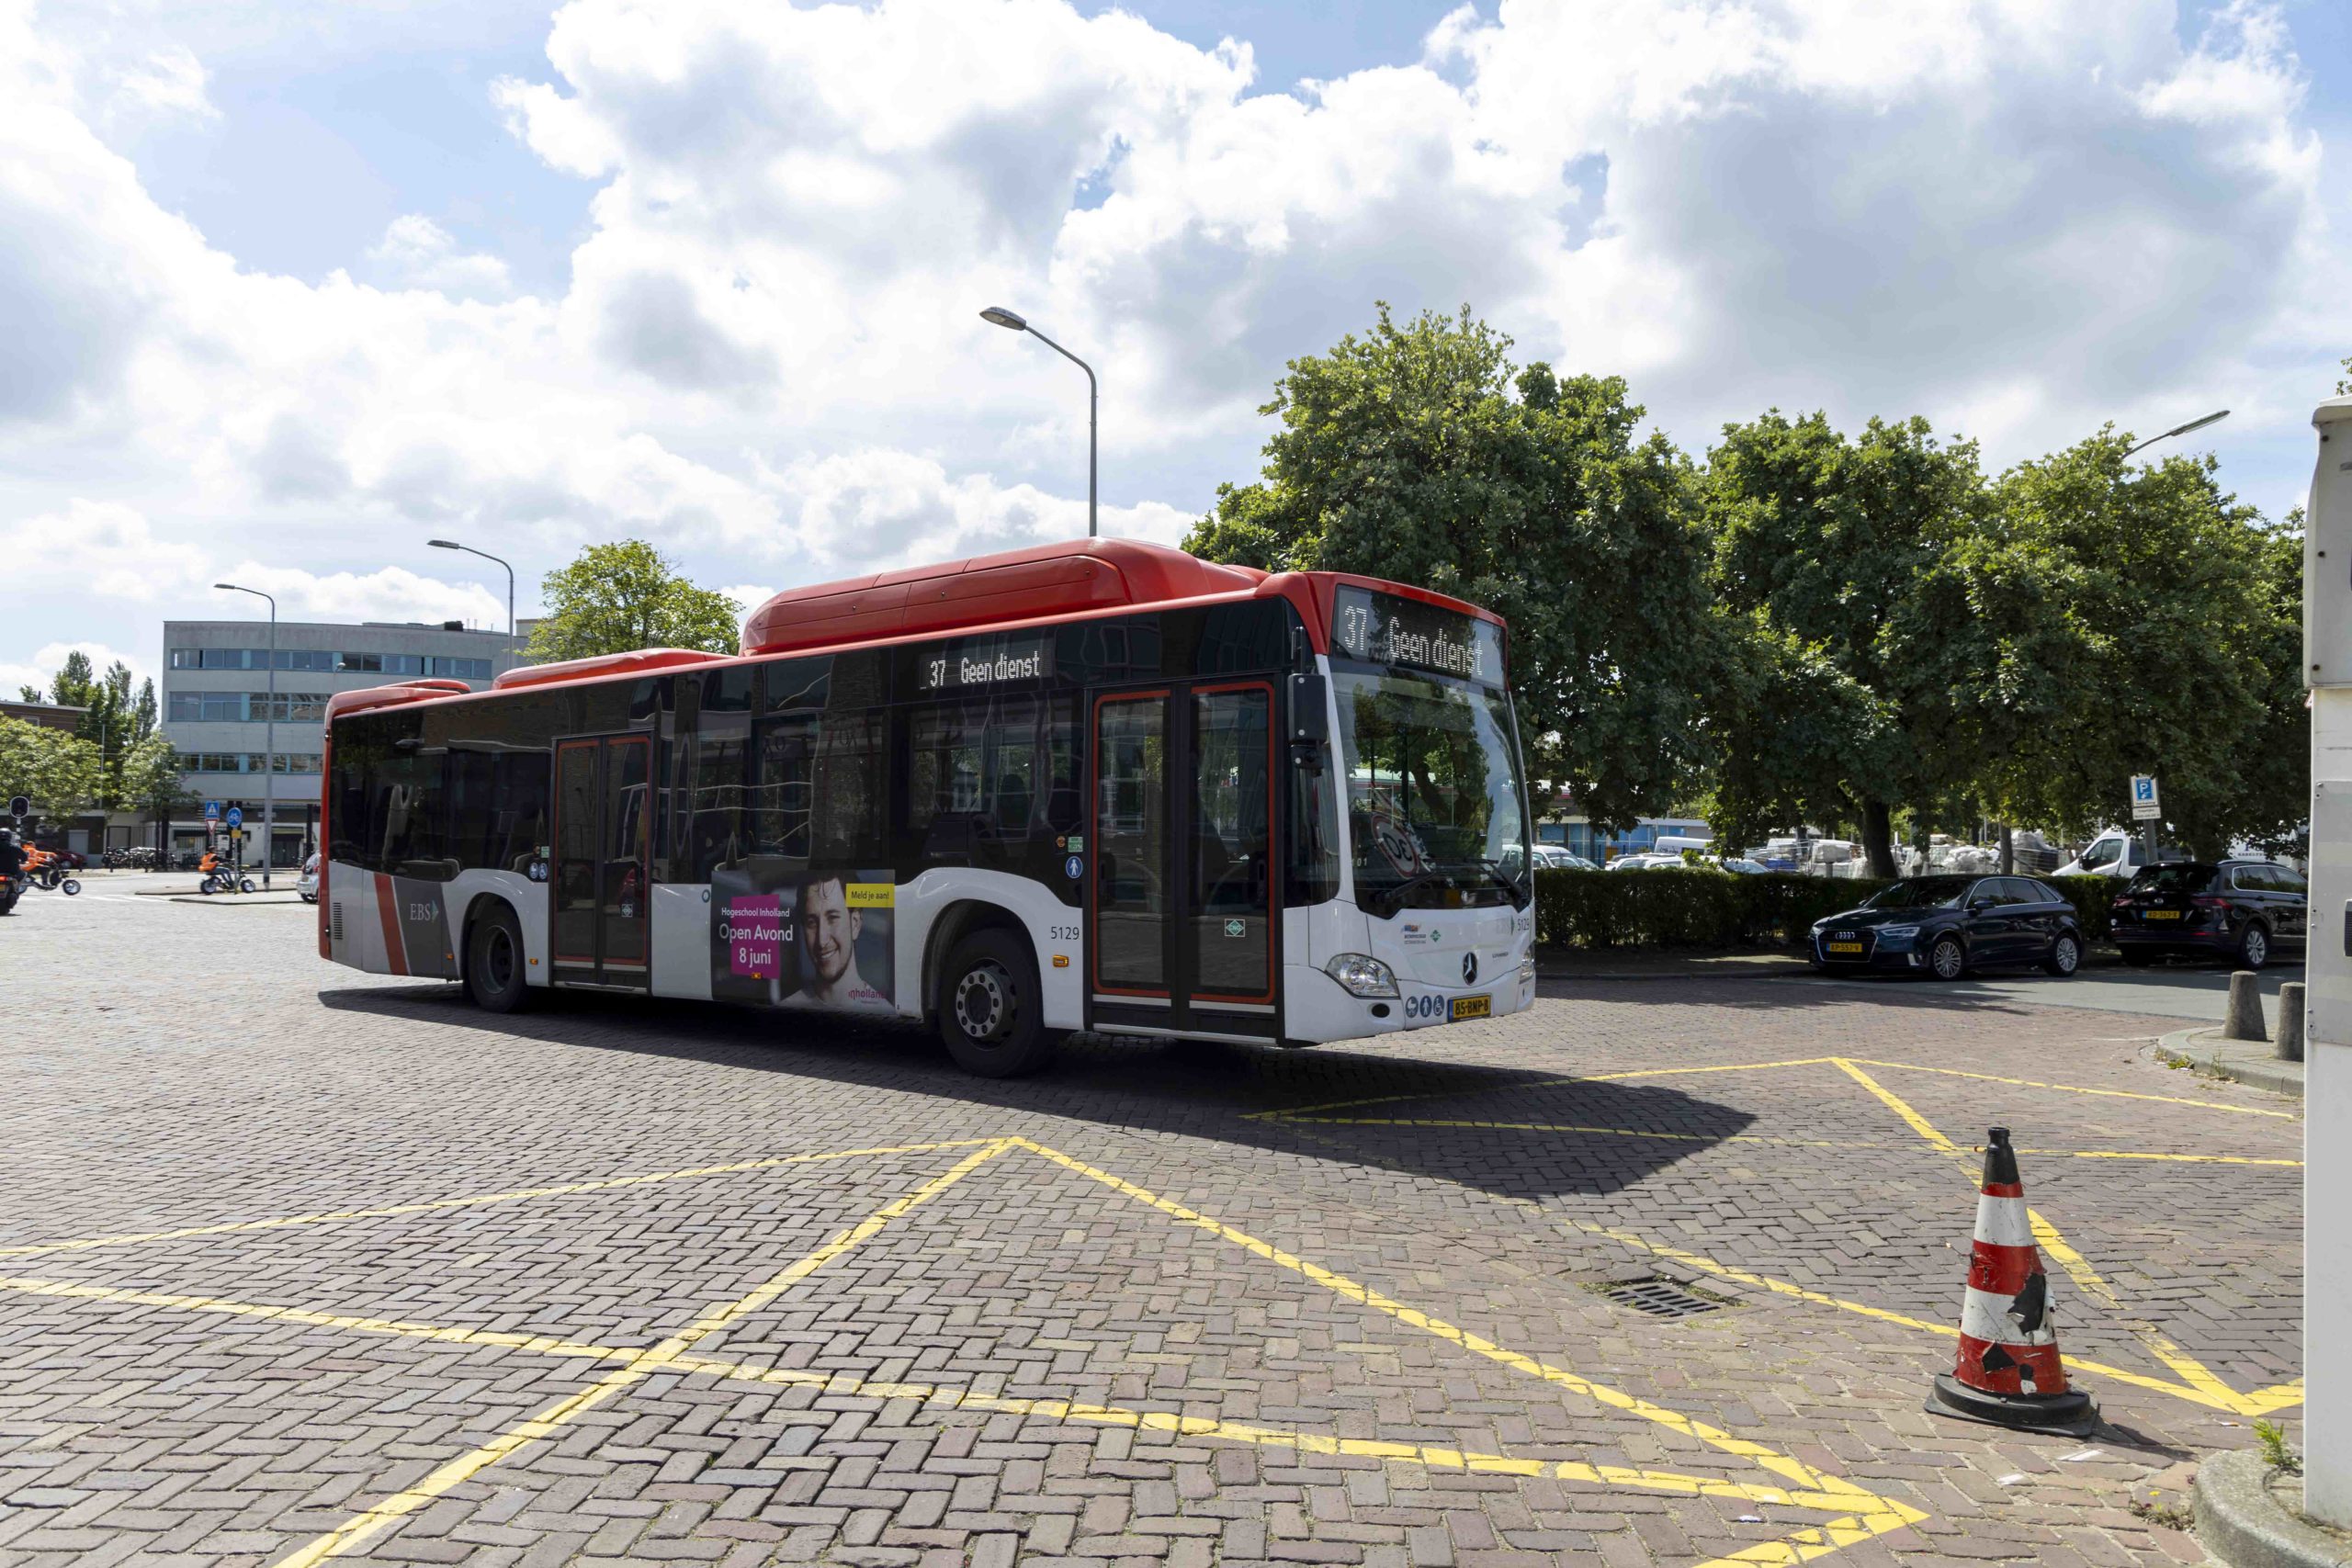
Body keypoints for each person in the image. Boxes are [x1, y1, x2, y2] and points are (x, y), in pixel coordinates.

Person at [782, 872, 892, 1012]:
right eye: (811, 922)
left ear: (855, 924)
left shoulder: (884, 1012)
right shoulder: (787, 1009)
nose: (822, 940)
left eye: (833, 918)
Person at [0, 829, 21, 915]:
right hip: (11, 873)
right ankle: (15, 890)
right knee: (23, 874)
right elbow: (25, 858)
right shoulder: (15, 847)